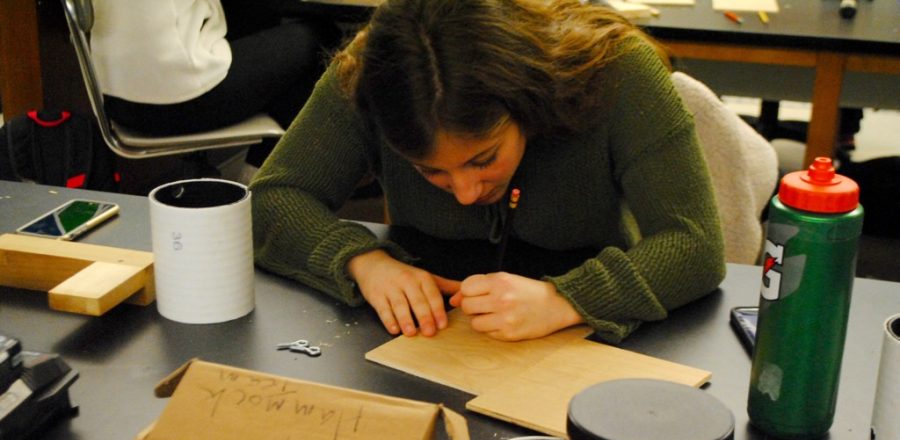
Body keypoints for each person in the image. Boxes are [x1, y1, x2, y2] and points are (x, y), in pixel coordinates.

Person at [250, 0, 726, 343]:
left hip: (589, 332)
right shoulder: (368, 79)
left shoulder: (617, 70)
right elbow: (274, 197)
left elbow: (694, 242)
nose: (464, 193)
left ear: (527, 101)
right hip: (424, 333)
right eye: (428, 171)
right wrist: (363, 262)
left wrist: (570, 299)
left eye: (483, 159)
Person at [89, 0, 339, 173]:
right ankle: (262, 189)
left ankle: (268, 178)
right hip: (175, 99)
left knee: (258, 21)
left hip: (115, 96)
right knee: (321, 39)